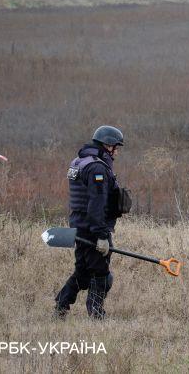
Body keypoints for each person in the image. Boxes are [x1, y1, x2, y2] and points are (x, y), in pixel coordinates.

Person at [54, 125, 126, 319]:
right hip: (92, 228)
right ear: (107, 145)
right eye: (115, 148)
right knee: (102, 273)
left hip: (79, 226)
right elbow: (96, 204)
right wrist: (102, 236)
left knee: (83, 271)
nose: (117, 152)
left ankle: (61, 306)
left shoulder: (79, 161)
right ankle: (96, 314)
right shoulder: (97, 168)